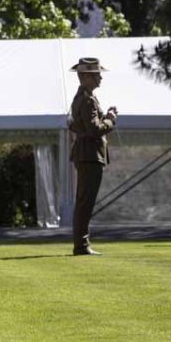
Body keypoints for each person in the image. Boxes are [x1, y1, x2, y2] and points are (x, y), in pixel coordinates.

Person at [68, 57, 117, 256]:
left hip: (86, 154)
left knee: (84, 201)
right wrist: (111, 121)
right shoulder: (87, 99)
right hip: (89, 155)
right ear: (87, 76)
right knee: (85, 202)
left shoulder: (83, 97)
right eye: (97, 74)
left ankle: (81, 244)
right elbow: (95, 129)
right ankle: (81, 245)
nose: (100, 78)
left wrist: (105, 117)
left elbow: (82, 125)